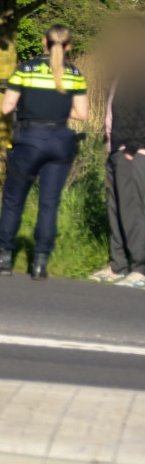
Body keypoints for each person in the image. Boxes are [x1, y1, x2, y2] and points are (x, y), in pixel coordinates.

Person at [0, 26, 89, 280]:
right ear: (68, 47)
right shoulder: (75, 74)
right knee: (49, 204)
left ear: (43, 42)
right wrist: (58, 112)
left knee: (13, 201)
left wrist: (31, 108)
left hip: (29, 140)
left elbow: (7, 107)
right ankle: (40, 263)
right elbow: (82, 114)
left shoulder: (25, 70)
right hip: (61, 141)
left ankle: (3, 257)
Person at [96, 17, 145, 287]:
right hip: (115, 147)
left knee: (132, 209)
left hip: (132, 150)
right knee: (115, 208)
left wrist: (133, 145)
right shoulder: (120, 72)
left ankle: (140, 268)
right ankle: (118, 265)